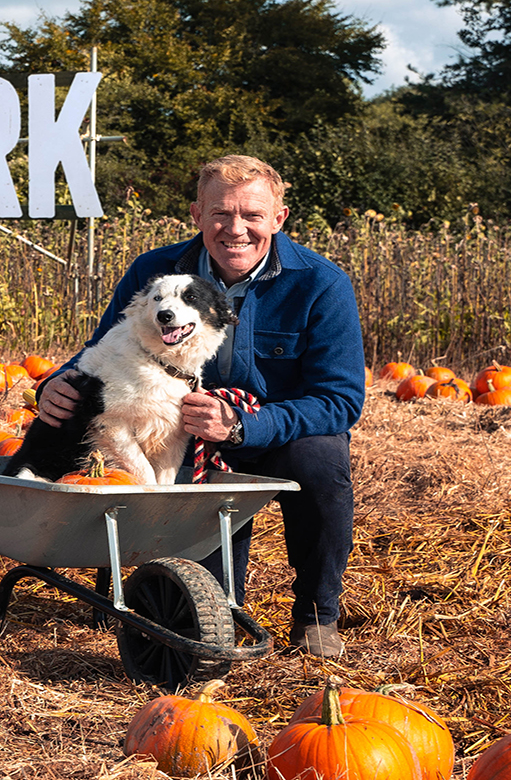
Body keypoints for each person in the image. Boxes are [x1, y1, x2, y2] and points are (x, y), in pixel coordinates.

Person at [36, 155, 365, 657]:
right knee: (201, 621)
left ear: (279, 218)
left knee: (320, 460)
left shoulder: (321, 284)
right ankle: (205, 603)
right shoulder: (154, 272)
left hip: (276, 431)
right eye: (221, 213)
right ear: (197, 215)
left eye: (252, 215)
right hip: (181, 432)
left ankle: (316, 614)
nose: (236, 229)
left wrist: (244, 425)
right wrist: (57, 383)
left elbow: (339, 400)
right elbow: (105, 348)